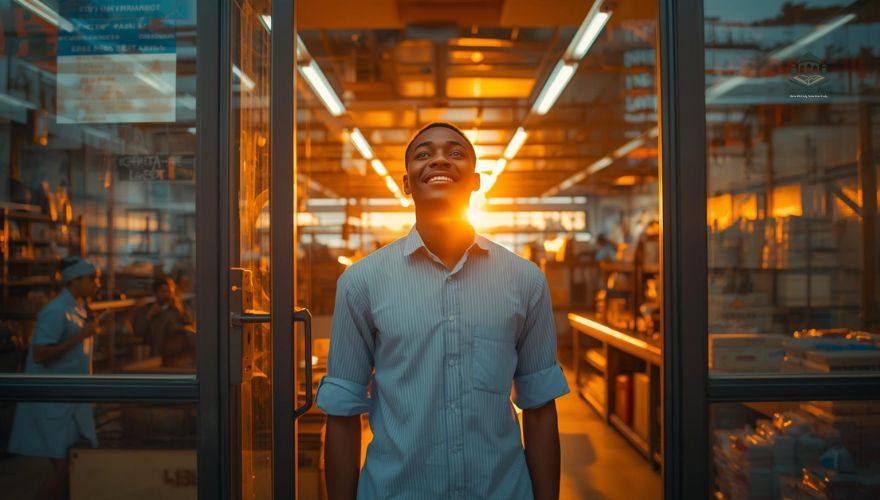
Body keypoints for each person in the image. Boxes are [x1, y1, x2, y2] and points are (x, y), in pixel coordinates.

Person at [318, 122, 569, 499]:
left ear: (476, 180)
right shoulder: (361, 282)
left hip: (500, 490)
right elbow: (342, 412)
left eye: (455, 153)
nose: (439, 159)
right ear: (406, 184)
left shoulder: (525, 280)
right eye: (424, 153)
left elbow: (539, 406)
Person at [7, 257, 107, 500]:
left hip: (68, 402)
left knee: (72, 467)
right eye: (91, 279)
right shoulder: (55, 311)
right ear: (75, 281)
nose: (96, 284)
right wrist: (82, 335)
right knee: (63, 469)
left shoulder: (76, 308)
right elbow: (40, 354)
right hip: (52, 404)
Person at [131, 277, 191, 357]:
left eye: (169, 292)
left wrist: (179, 310)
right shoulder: (146, 309)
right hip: (156, 349)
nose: (166, 295)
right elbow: (138, 332)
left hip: (177, 347)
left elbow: (189, 323)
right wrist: (150, 314)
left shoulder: (179, 307)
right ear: (156, 293)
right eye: (163, 291)